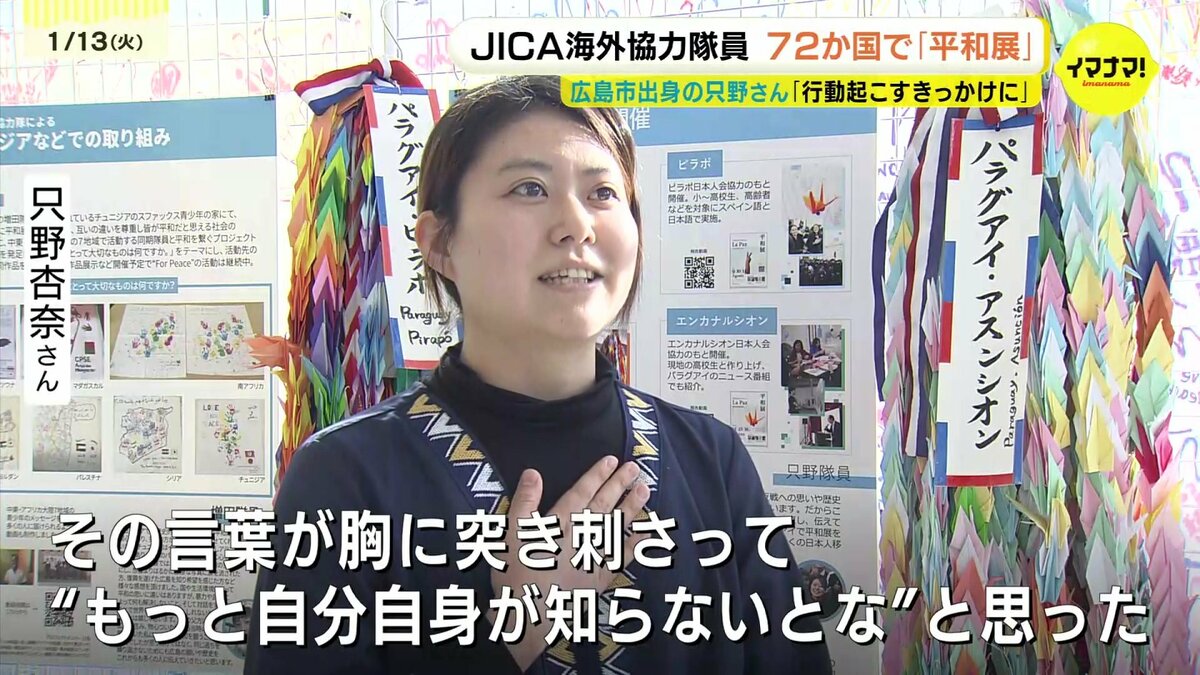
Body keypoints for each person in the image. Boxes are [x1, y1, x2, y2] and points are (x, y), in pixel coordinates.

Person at [244, 74, 832, 675]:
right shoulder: (345, 476)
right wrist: (511, 635)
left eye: (603, 193)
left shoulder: (711, 458)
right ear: (439, 242)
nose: (576, 225)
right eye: (530, 188)